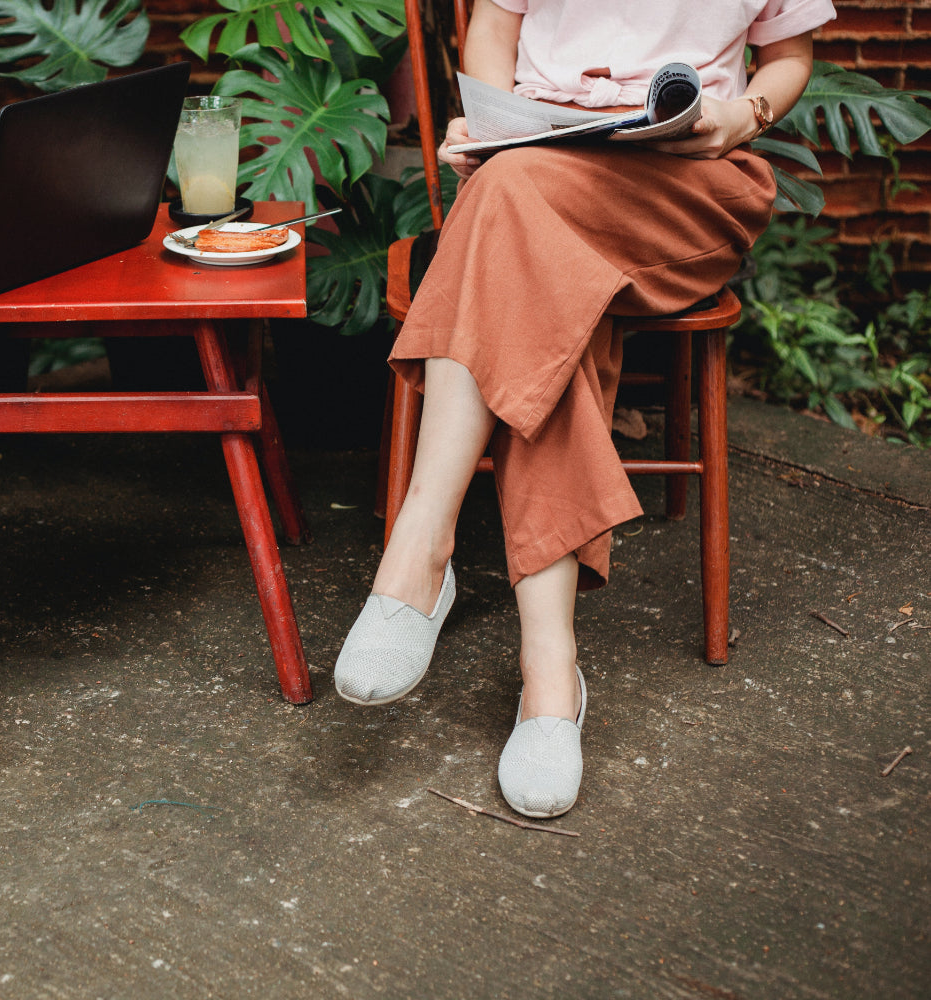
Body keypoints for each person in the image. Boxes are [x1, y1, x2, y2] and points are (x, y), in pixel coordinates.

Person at [334, 0, 834, 818]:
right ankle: (548, 676)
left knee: (512, 209)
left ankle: (420, 552)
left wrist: (741, 114)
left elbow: (790, 53)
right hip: (539, 160)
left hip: (689, 186)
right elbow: (493, 28)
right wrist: (489, 125)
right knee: (536, 255)